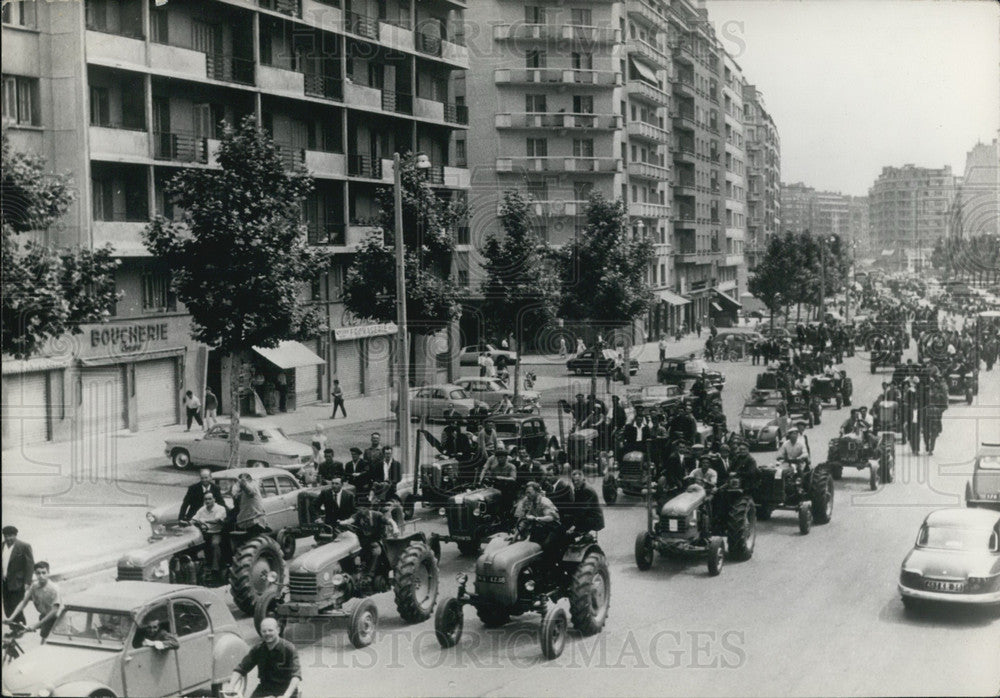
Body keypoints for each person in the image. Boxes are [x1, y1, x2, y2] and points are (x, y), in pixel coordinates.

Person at [229, 617, 301, 698]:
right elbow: (241, 668)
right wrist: (231, 687)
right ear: (260, 632)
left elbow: (296, 676)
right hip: (265, 688)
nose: (267, 633)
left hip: (286, 689)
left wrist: (286, 695)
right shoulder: (258, 649)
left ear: (278, 630)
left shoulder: (289, 649)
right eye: (264, 631)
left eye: (270, 630)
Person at [6, 562, 60, 641]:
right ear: (35, 574)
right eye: (38, 573)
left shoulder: (54, 588)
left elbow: (54, 611)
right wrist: (11, 618)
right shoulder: (34, 586)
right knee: (43, 639)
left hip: (57, 619)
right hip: (44, 617)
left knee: (49, 642)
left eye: (44, 573)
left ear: (48, 573)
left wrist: (36, 625)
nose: (41, 576)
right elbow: (23, 602)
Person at [345, 505, 399, 577]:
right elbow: (350, 520)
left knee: (377, 552)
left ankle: (370, 574)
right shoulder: (359, 515)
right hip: (364, 541)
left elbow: (390, 521)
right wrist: (343, 522)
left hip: (377, 539)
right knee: (352, 553)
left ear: (368, 516)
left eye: (365, 520)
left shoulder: (378, 515)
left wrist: (395, 528)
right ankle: (354, 571)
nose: (363, 523)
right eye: (362, 521)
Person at [2, 526, 33, 624]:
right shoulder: (2, 546)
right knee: (7, 608)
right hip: (4, 582)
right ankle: (13, 626)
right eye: (6, 536)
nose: (8, 538)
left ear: (15, 535)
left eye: (10, 536)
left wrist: (27, 582)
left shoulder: (24, 546)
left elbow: (30, 565)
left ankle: (21, 626)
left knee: (16, 607)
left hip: (17, 583)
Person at [191, 494, 228, 579]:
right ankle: (195, 567)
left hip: (217, 533)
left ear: (214, 499)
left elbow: (217, 519)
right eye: (206, 499)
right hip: (204, 533)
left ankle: (215, 569)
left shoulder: (220, 509)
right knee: (192, 544)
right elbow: (195, 518)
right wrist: (189, 522)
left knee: (215, 544)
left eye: (209, 499)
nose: (207, 501)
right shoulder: (202, 509)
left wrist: (204, 520)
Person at [567, 470, 604, 536]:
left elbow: (582, 509)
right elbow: (576, 505)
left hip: (594, 519)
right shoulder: (579, 488)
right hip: (588, 516)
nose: (575, 483)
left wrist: (574, 525)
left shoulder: (586, 490)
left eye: (577, 480)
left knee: (572, 530)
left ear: (582, 479)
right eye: (573, 481)